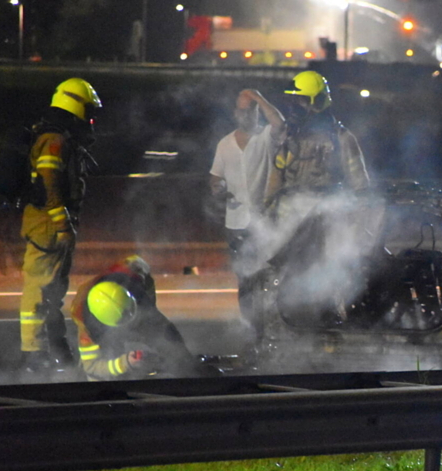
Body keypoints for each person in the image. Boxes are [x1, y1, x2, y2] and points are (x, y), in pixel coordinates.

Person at [19, 77, 100, 375]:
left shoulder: (61, 137)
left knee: (53, 290)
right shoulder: (55, 141)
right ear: (75, 105)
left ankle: (54, 346)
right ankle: (32, 354)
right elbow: (49, 183)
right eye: (88, 109)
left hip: (51, 224)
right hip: (47, 225)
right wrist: (62, 222)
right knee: (39, 289)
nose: (91, 118)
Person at [71, 255, 209, 380]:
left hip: (137, 310)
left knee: (170, 344)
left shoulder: (132, 271)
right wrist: (125, 363)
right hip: (107, 336)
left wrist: (184, 362)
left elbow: (139, 265)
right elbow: (92, 367)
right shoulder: (84, 325)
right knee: (100, 379)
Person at [209, 88, 285, 317]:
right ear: (235, 114)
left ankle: (270, 323)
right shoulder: (225, 144)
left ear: (257, 113)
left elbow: (279, 123)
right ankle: (250, 327)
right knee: (244, 277)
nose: (246, 115)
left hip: (264, 220)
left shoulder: (266, 137)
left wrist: (259, 98)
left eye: (251, 110)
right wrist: (218, 190)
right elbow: (215, 178)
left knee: (269, 275)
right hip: (236, 223)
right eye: (242, 111)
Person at [264, 70, 369, 230]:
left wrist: (360, 223)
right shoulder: (288, 137)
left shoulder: (342, 139)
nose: (294, 107)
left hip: (327, 219)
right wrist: (265, 216)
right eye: (293, 100)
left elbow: (359, 185)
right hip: (288, 222)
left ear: (318, 102)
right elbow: (275, 179)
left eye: (300, 101)